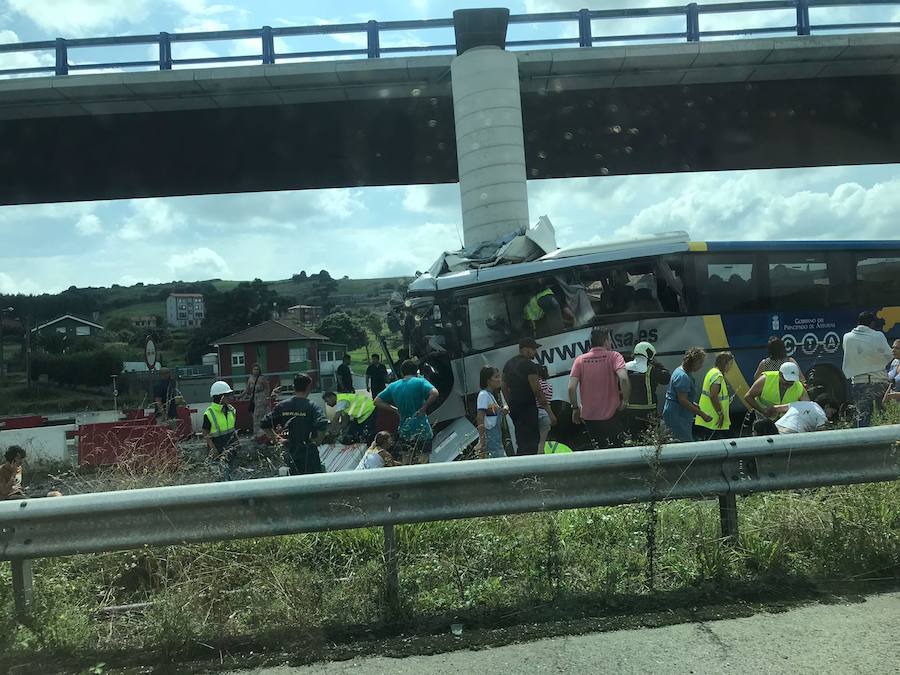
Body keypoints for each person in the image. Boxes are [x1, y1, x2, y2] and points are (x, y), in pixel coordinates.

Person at [568, 327, 629, 450]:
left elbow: (571, 388)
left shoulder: (579, 360)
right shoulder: (614, 356)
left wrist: (575, 408)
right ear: (606, 341)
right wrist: (625, 400)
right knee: (618, 449)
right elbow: (623, 378)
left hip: (590, 417)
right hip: (612, 414)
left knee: (599, 450)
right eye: (610, 340)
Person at [261, 374, 329, 475]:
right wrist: (317, 441)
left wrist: (277, 439)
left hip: (290, 453)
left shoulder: (283, 406)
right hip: (309, 454)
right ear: (308, 387)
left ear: (294, 387)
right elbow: (323, 424)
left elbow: (264, 423)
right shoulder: (312, 406)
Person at [375, 360, 440, 464]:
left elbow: (377, 401)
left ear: (401, 372)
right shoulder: (420, 382)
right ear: (416, 372)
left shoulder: (393, 386)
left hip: (405, 429)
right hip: (422, 428)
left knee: (406, 459)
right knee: (423, 460)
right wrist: (424, 407)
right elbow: (435, 393)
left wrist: (395, 410)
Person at [503, 337, 554, 455]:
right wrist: (550, 413)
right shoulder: (530, 365)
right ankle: (533, 470)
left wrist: (509, 402)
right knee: (532, 441)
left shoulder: (508, 364)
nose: (535, 352)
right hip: (528, 408)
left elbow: (503, 386)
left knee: (521, 441)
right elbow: (537, 390)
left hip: (515, 409)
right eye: (533, 349)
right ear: (525, 349)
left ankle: (523, 469)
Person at [842, 311, 893, 427]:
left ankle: (863, 443)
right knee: (882, 416)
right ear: (872, 323)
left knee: (862, 416)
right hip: (878, 381)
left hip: (859, 383)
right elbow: (889, 355)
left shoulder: (847, 337)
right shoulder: (878, 336)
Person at [623, 341, 671, 442]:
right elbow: (666, 378)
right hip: (649, 411)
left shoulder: (624, 368)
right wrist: (656, 363)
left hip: (629, 410)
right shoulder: (652, 369)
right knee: (651, 440)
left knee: (633, 439)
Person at [662, 348, 712, 442]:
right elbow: (682, 400)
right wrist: (702, 414)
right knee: (684, 443)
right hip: (677, 415)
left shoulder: (680, 371)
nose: (701, 366)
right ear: (694, 362)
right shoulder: (683, 377)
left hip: (677, 413)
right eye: (700, 363)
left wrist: (693, 404)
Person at [745, 362, 809, 420]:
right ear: (780, 374)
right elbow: (748, 396)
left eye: (791, 382)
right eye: (786, 381)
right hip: (764, 418)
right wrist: (762, 411)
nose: (788, 384)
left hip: (786, 420)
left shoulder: (799, 386)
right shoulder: (766, 379)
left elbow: (808, 405)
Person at [202, 381, 240, 481]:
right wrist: (213, 448)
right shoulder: (209, 413)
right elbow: (205, 432)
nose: (230, 398)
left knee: (232, 476)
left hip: (232, 448)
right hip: (217, 449)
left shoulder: (232, 410)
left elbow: (232, 428)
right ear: (220, 397)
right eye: (228, 395)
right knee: (220, 477)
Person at [695, 352, 735, 440]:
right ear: (725, 363)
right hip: (715, 417)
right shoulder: (718, 376)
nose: (730, 367)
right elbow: (713, 396)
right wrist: (720, 413)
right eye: (730, 364)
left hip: (709, 415)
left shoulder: (712, 372)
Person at [475, 366, 508, 459]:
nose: (499, 379)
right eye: (496, 377)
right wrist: (482, 440)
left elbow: (491, 416)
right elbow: (480, 417)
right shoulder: (483, 395)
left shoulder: (490, 395)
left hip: (496, 437)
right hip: (490, 437)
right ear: (488, 380)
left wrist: (503, 410)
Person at [241, 364, 270, 445]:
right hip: (254, 398)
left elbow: (267, 388)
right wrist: (240, 396)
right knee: (255, 417)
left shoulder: (262, 378)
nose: (255, 371)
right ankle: (256, 434)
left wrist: (267, 398)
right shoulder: (250, 379)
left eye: (257, 369)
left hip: (262, 398)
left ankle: (262, 434)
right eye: (254, 369)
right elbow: (247, 389)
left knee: (260, 416)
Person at [537, 365, 554, 453]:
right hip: (545, 413)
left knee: (535, 441)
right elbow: (548, 402)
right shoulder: (549, 386)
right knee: (542, 441)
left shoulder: (535, 385)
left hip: (535, 412)